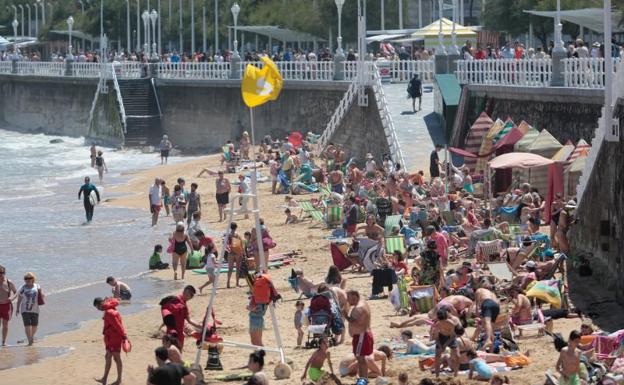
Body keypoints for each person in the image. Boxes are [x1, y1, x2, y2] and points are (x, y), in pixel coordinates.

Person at [93, 297, 127, 385]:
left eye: (97, 307)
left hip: (114, 339)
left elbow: (118, 326)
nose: (98, 309)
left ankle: (119, 380)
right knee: (107, 357)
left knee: (117, 358)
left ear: (100, 304)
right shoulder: (109, 309)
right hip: (110, 338)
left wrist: (124, 336)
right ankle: (104, 379)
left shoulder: (109, 312)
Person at [343, 289, 373, 381]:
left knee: (361, 359)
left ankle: (364, 378)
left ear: (354, 296)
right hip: (362, 335)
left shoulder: (358, 308)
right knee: (360, 358)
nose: (347, 300)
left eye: (348, 298)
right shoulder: (362, 302)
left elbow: (354, 323)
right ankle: (364, 378)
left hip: (361, 336)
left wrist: (346, 316)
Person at [160, 285, 202, 350]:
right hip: (171, 334)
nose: (189, 297)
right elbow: (166, 315)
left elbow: (189, 320)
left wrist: (201, 326)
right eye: (188, 294)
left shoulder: (184, 305)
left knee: (177, 354)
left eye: (191, 296)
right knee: (171, 354)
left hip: (179, 334)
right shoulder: (173, 300)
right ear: (184, 291)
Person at [16, 272, 43, 346]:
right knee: (27, 325)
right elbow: (19, 298)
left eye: (29, 278)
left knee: (35, 325)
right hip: (25, 309)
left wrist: (42, 296)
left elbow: (41, 294)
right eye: (26, 278)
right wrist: (17, 308)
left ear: (33, 279)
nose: (28, 280)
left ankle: (31, 337)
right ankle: (30, 341)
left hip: (35, 309)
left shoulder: (37, 286)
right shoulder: (23, 287)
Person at [0, 265, 17, 346]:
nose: (0, 274)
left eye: (1, 273)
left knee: (5, 325)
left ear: (4, 273)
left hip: (6, 306)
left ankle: (3, 342)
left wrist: (11, 298)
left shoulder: (9, 282)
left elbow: (16, 292)